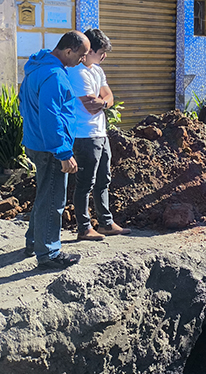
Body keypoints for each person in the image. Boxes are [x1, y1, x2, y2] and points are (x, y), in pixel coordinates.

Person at [19, 30, 90, 269]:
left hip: (36, 142)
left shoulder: (37, 68)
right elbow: (51, 117)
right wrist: (63, 152)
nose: (83, 60)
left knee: (44, 195)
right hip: (49, 147)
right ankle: (48, 253)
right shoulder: (54, 76)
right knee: (52, 200)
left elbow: (23, 104)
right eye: (81, 55)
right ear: (68, 51)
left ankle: (34, 241)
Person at [68, 28, 129, 241]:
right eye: (101, 52)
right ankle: (84, 228)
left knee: (104, 179)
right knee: (85, 182)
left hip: (101, 133)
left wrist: (102, 102)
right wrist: (102, 103)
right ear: (89, 51)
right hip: (84, 134)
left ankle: (106, 223)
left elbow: (108, 97)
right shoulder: (77, 73)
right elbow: (90, 106)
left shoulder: (97, 71)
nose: (104, 57)